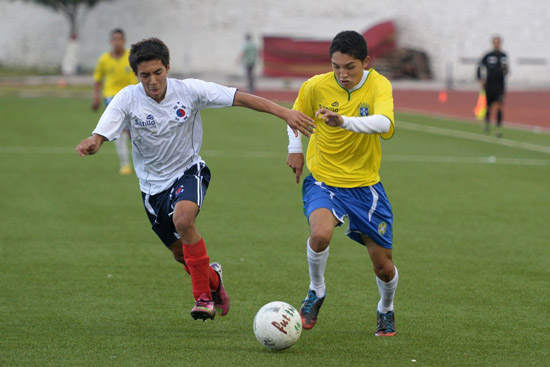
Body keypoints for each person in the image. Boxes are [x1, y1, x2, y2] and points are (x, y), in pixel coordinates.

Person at [76, 37, 315, 321]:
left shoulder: (189, 90)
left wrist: (284, 112)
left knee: (184, 220)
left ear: (167, 67)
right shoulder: (127, 98)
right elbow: (104, 128)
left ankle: (202, 298)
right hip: (152, 188)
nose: (152, 80)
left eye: (158, 72)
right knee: (181, 256)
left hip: (189, 171)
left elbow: (240, 97)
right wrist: (95, 141)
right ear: (136, 75)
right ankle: (213, 280)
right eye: (145, 75)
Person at [286, 30, 398, 336]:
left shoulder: (378, 84)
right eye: (336, 66)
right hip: (324, 181)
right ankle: (316, 291)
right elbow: (295, 116)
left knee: (383, 268)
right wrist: (295, 150)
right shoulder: (315, 85)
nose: (342, 73)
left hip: (366, 187)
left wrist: (343, 121)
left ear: (366, 62)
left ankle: (385, 308)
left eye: (350, 66)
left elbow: (384, 123)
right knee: (320, 234)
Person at [92, 28, 137, 174]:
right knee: (121, 131)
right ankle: (125, 164)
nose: (117, 42)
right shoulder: (104, 59)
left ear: (124, 41)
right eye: (114, 39)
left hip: (132, 97)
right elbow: (98, 78)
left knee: (136, 131)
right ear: (111, 42)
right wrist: (96, 97)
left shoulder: (131, 57)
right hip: (112, 98)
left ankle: (143, 162)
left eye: (119, 39)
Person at [477, 35, 509, 137]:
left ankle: (498, 128)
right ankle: (487, 124)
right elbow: (480, 67)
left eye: (498, 42)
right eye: (495, 42)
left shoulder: (503, 56)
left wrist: (505, 70)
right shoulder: (488, 55)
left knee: (499, 106)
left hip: (499, 85)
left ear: (500, 43)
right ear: (493, 43)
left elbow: (506, 70)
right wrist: (481, 78)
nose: (496, 44)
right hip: (489, 85)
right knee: (488, 106)